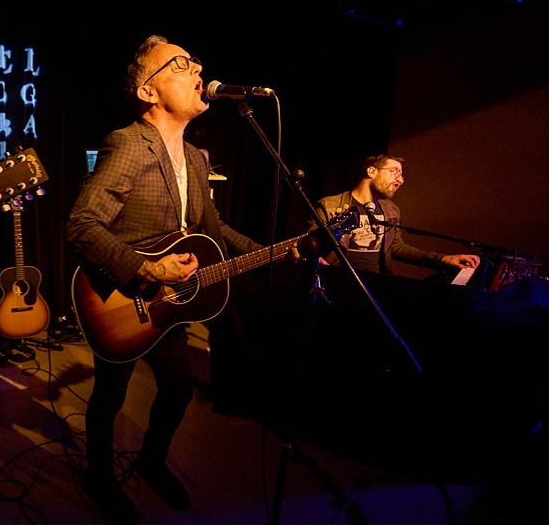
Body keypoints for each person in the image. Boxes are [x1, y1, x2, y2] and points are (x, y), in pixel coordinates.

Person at [65, 35, 265, 524]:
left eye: (195, 58)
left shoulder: (196, 158)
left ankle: (151, 461)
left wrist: (277, 252)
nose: (197, 66)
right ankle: (99, 475)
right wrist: (147, 268)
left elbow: (216, 232)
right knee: (110, 395)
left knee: (177, 388)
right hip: (123, 299)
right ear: (149, 93)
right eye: (179, 63)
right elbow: (81, 225)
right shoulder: (129, 144)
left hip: (170, 303)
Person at [310, 155, 479, 275]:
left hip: (376, 288)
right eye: (394, 171)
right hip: (338, 284)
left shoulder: (391, 210)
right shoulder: (329, 205)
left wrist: (443, 260)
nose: (400, 179)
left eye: (402, 175)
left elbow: (397, 248)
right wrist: (315, 259)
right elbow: (311, 246)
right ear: (371, 171)